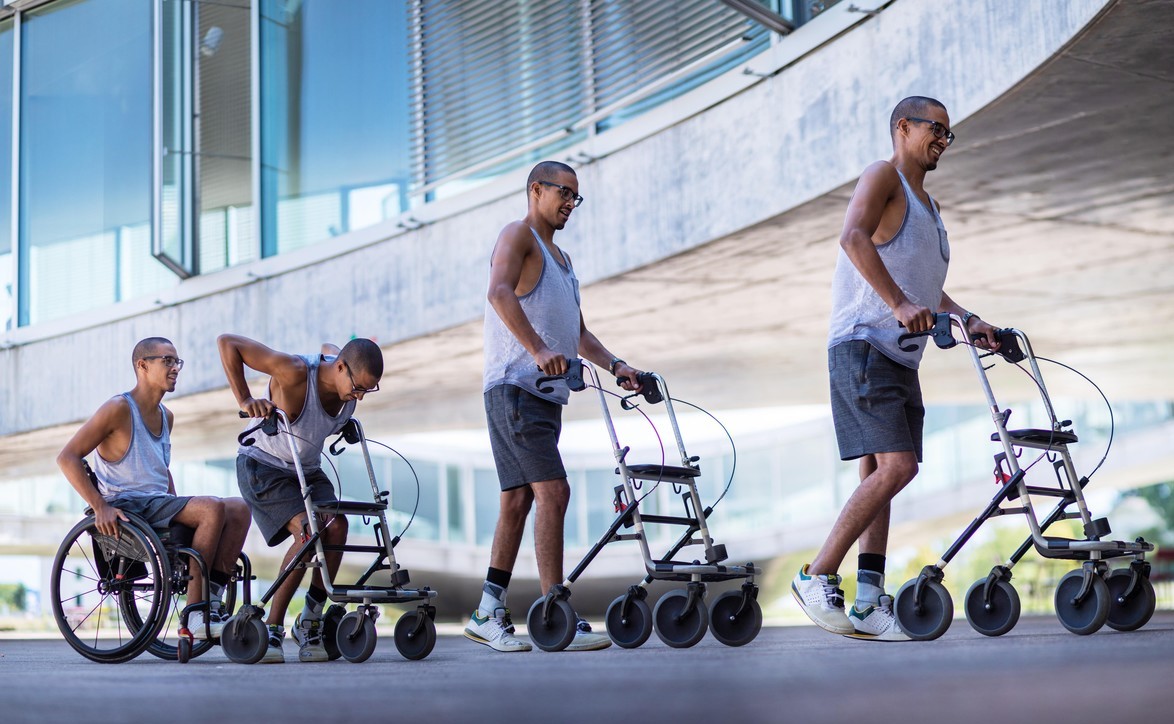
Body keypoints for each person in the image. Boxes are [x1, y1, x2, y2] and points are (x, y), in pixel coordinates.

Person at [792, 97, 1001, 640]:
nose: (942, 141)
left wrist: (970, 318)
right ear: (903, 127)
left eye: (948, 135)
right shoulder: (883, 176)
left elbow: (927, 288)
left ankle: (866, 599)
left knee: (881, 476)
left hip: (900, 358)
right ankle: (814, 575)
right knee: (898, 468)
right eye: (936, 130)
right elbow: (853, 237)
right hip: (864, 346)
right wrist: (898, 306)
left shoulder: (928, 207)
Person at [465, 160, 643, 653]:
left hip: (544, 396)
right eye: (563, 192)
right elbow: (499, 292)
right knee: (554, 492)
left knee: (518, 500)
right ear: (535, 189)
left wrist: (617, 365)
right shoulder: (517, 235)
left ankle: (487, 610)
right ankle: (554, 609)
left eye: (575, 197)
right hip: (516, 387)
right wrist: (538, 350)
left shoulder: (563, 262)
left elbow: (580, 334)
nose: (569, 203)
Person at [57, 337, 251, 640]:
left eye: (177, 362)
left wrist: (181, 505)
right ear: (143, 365)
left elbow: (160, 469)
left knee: (238, 508)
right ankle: (195, 614)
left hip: (158, 503)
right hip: (128, 504)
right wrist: (100, 506)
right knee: (211, 506)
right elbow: (67, 457)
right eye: (168, 361)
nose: (175, 368)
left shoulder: (166, 416)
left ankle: (211, 597)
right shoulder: (118, 408)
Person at [218, 334, 383, 663]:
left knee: (336, 527)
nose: (359, 398)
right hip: (263, 465)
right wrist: (245, 398)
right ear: (340, 368)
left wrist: (332, 353)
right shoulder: (293, 372)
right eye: (358, 388)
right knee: (310, 534)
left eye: (368, 390)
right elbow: (228, 343)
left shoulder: (342, 371)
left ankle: (309, 618)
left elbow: (328, 347)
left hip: (305, 468)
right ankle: (273, 628)